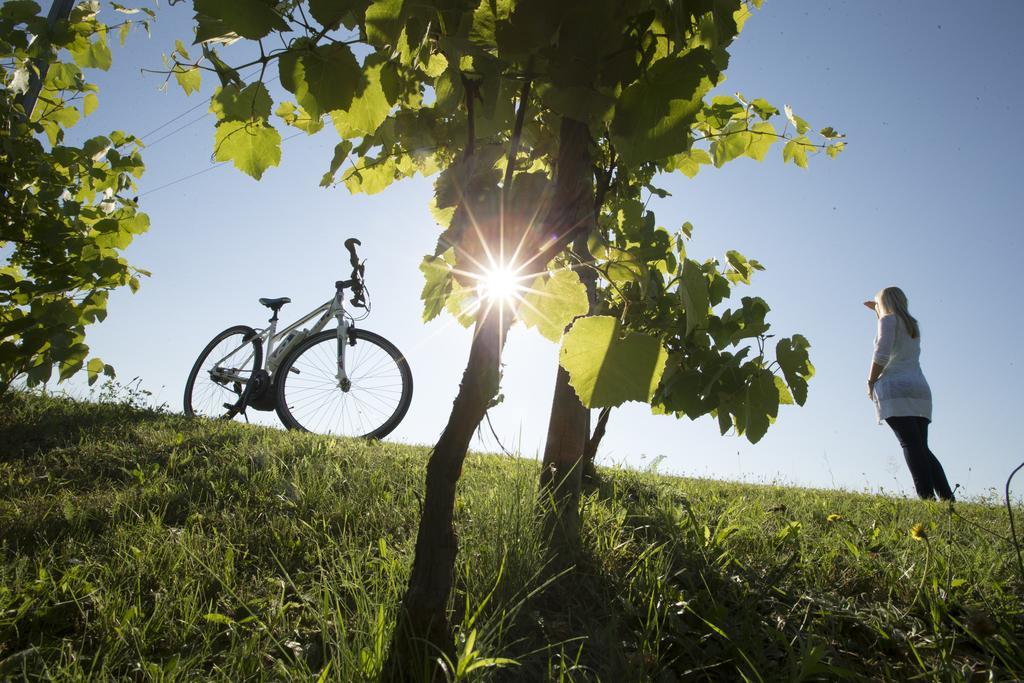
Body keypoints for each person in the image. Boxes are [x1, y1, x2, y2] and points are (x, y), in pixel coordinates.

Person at [864, 286, 954, 501]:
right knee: (921, 446)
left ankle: (926, 496)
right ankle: (946, 497)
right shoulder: (912, 325)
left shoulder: (887, 321)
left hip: (896, 389)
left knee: (909, 444)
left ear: (883, 303)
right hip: (919, 390)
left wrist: (870, 381)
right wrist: (878, 311)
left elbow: (882, 353)